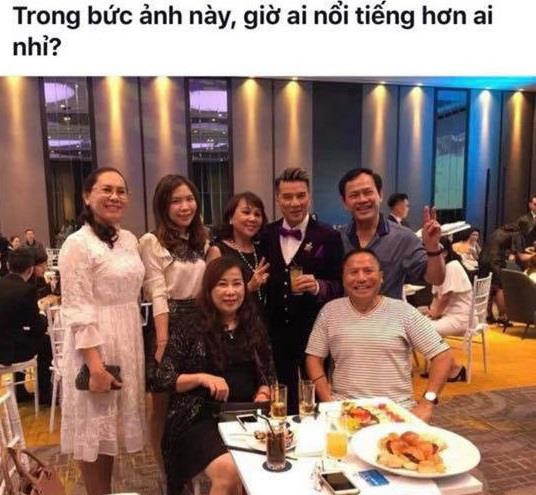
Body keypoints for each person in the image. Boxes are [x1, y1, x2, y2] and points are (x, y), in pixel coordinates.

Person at [155, 257, 276, 494]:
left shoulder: (253, 323)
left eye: (237, 284)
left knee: (276, 461)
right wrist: (201, 378)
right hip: (199, 417)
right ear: (209, 289)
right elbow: (162, 378)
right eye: (222, 284)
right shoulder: (189, 325)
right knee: (229, 471)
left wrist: (263, 392)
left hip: (247, 414)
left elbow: (269, 373)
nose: (231, 291)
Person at [59, 167, 146, 495]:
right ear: (87, 196)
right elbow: (78, 310)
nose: (115, 197)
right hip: (94, 346)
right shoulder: (77, 244)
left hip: (127, 338)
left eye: (121, 191)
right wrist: (95, 367)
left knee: (111, 433)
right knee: (94, 433)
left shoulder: (129, 240)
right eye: (106, 190)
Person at [305, 248, 453, 423]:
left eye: (368, 271)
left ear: (381, 277)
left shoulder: (403, 312)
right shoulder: (330, 311)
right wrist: (328, 400)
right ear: (343, 278)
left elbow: (443, 356)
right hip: (344, 411)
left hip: (396, 411)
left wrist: (428, 402)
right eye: (353, 272)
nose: (361, 278)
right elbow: (313, 358)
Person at [139, 174, 209, 473]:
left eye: (189, 199)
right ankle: (165, 472)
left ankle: (191, 467)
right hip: (167, 325)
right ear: (163, 206)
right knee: (162, 406)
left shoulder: (201, 240)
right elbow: (157, 293)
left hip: (200, 327)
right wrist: (163, 341)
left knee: (195, 402)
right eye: (176, 201)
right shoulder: (151, 242)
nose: (184, 206)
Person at [259, 167, 344, 413]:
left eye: (301, 195)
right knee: (280, 394)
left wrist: (318, 286)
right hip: (275, 332)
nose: (295, 203)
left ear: (309, 196)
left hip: (314, 330)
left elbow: (340, 285)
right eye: (287, 197)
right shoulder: (266, 234)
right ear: (277, 199)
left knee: (315, 394)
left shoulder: (328, 236)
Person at [338, 168, 445, 299]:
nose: (362, 199)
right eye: (354, 195)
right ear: (344, 202)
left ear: (380, 194)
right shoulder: (337, 238)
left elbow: (436, 279)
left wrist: (433, 247)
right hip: (346, 312)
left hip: (390, 312)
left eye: (368, 192)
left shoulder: (403, 238)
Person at [0, 248, 52, 404]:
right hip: (10, 351)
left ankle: (21, 393)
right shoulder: (27, 290)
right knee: (45, 342)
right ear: (30, 269)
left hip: (5, 344)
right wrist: (42, 313)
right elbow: (37, 327)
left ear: (8, 265)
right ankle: (44, 394)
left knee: (19, 336)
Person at [206, 192, 270, 304]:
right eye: (246, 212)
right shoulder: (218, 251)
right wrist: (249, 287)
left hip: (263, 314)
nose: (252, 218)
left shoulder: (262, 249)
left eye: (257, 214)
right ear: (230, 218)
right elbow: (210, 294)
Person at [424, 237, 472, 382]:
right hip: (448, 315)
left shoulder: (452, 267)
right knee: (416, 327)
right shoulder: (439, 268)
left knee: (424, 332)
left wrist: (435, 313)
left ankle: (453, 367)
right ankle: (443, 365)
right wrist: (432, 313)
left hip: (461, 317)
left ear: (443, 253)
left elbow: (445, 297)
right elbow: (436, 296)